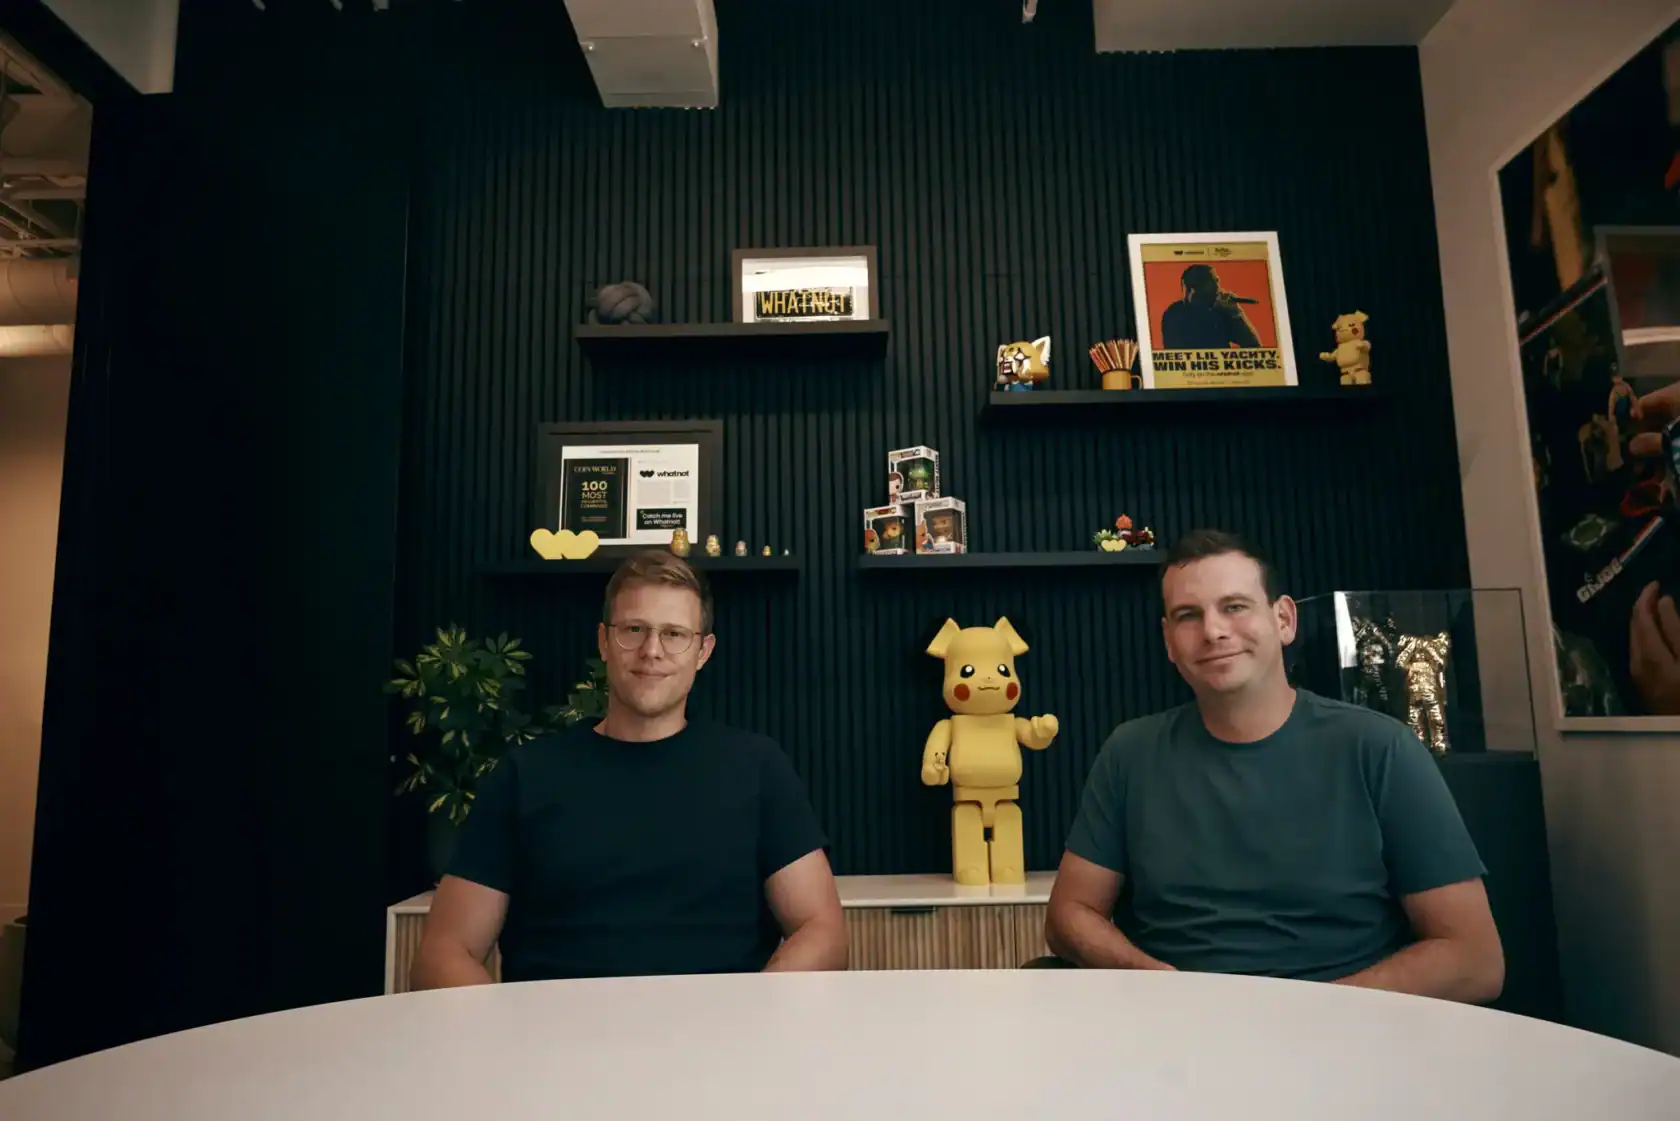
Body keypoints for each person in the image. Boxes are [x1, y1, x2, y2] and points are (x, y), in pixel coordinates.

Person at [1044, 530, 1505, 1004]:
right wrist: (1161, 984)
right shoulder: (1130, 752)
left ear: (1284, 619)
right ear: (1168, 641)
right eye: (1188, 615)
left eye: (1235, 606)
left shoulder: (1379, 750)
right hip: (1174, 1034)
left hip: (1341, 1034)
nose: (1213, 630)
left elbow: (1473, 959)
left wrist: (1309, 1014)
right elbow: (1069, 915)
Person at [411, 549, 847, 987]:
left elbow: (822, 930)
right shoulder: (525, 775)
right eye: (633, 630)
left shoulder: (757, 768)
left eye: (675, 633)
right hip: (554, 1046)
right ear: (603, 641)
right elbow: (444, 952)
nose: (651, 651)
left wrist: (754, 1012)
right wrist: (503, 1047)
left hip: (718, 1044)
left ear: (703, 650)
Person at [1158, 264, 1263, 350]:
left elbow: (1254, 349)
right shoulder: (1174, 314)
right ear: (1192, 289)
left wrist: (1236, 314)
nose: (1218, 288)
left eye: (1217, 281)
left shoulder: (1222, 310)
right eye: (1211, 282)